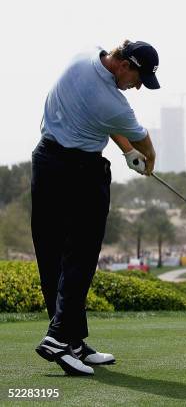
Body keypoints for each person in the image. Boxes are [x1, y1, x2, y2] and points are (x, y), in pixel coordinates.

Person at [31, 40, 159, 376]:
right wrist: (145, 159)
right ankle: (58, 338)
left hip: (45, 162)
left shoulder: (82, 57)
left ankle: (73, 342)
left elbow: (100, 116)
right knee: (81, 257)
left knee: (53, 255)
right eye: (139, 78)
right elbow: (145, 145)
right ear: (124, 65)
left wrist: (123, 148)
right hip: (81, 173)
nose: (138, 87)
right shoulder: (115, 104)